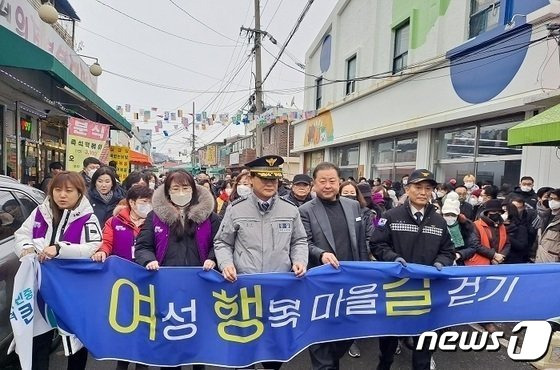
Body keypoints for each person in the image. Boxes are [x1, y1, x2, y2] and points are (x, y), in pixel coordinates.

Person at [214, 155, 308, 370]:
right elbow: (222, 243)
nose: (269, 184)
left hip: (279, 292)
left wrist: (300, 260)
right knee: (244, 349)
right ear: (252, 179)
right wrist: (226, 264)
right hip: (244, 291)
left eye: (273, 180)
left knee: (274, 352)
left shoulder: (290, 209)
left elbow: (299, 240)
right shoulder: (236, 209)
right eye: (264, 179)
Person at [14, 171, 102, 370]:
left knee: (75, 337)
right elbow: (21, 235)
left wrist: (60, 249)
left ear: (79, 193)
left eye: (69, 191)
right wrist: (26, 247)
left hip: (73, 290)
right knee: (39, 336)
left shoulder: (87, 218)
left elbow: (92, 246)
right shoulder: (40, 212)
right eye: (57, 190)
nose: (62, 195)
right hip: (40, 286)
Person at [370, 169, 455, 370]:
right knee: (388, 348)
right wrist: (394, 258)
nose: (423, 192)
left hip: (426, 292)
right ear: (407, 189)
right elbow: (377, 244)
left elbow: (448, 251)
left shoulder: (439, 221)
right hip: (395, 291)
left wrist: (441, 263)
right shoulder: (390, 216)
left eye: (428, 188)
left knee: (423, 351)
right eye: (418, 187)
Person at [134, 170, 219, 370]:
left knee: (198, 338)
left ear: (194, 190)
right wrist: (149, 261)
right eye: (175, 188)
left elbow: (221, 244)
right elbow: (143, 247)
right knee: (171, 338)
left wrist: (212, 259)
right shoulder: (155, 217)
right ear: (167, 191)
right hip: (167, 287)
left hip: (200, 286)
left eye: (185, 188)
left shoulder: (210, 217)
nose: (181, 192)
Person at [299, 162, 368, 370]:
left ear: (339, 182)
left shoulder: (352, 205)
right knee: (320, 339)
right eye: (322, 181)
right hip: (321, 284)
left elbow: (361, 243)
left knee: (344, 335)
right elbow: (304, 242)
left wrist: (365, 272)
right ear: (314, 184)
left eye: (332, 181)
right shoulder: (305, 211)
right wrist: (321, 255)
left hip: (349, 283)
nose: (327, 185)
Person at [93, 184, 153, 263]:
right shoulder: (114, 222)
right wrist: (102, 251)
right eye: (144, 201)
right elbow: (106, 242)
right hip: (120, 269)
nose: (148, 205)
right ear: (132, 202)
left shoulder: (154, 223)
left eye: (150, 202)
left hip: (147, 268)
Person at [466, 199, 510, 266]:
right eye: (494, 211)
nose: (497, 214)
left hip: (498, 263)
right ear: (487, 212)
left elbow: (507, 243)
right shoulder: (476, 225)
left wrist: (501, 256)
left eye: (499, 212)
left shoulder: (502, 226)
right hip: (479, 264)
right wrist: (494, 255)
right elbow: (475, 245)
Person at [441, 192, 475, 265]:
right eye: (447, 214)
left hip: (459, 262)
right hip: (440, 262)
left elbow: (472, 247)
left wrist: (459, 254)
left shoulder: (465, 227)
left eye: (453, 215)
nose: (450, 217)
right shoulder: (437, 225)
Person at [535, 188, 560, 263]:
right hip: (539, 257)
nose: (552, 201)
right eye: (551, 198)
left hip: (554, 261)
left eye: (556, 199)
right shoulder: (544, 216)